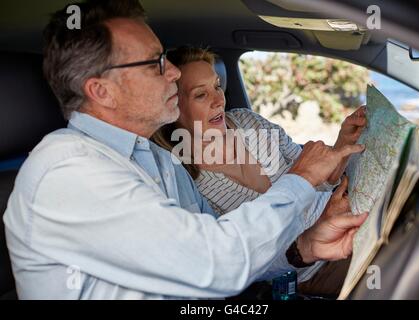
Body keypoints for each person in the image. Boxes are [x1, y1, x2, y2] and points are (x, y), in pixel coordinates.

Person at [3, 0, 367, 299]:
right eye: (155, 62)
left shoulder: (159, 160)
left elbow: (222, 242)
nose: (173, 73)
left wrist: (302, 248)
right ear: (102, 91)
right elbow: (215, 264)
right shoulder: (67, 168)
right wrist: (300, 178)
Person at [153, 47, 367, 297]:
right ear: (174, 108)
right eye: (201, 95)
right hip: (309, 273)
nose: (219, 100)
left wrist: (341, 146)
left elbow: (315, 180)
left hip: (349, 227)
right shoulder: (187, 182)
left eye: (217, 86)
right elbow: (243, 259)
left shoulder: (247, 121)